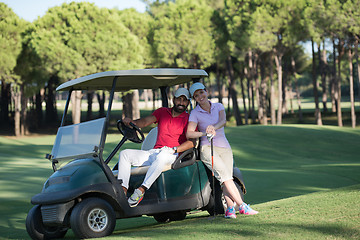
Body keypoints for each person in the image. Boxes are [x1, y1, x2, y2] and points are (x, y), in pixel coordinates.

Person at [186, 82, 258, 218]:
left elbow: (223, 121)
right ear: (194, 99)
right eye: (196, 95)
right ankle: (242, 206)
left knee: (227, 178)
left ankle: (230, 209)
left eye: (201, 92)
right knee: (225, 178)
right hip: (208, 148)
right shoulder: (195, 113)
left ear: (206, 92)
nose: (200, 96)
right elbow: (189, 133)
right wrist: (204, 133)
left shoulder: (218, 106)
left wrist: (213, 127)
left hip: (225, 147)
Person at [117, 88, 194, 207]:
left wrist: (174, 149)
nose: (181, 103)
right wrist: (132, 122)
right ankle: (123, 190)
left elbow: (191, 143)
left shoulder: (189, 119)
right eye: (179, 99)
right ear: (173, 100)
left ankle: (141, 190)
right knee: (125, 154)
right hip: (155, 151)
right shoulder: (162, 112)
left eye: (184, 100)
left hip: (172, 153)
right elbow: (145, 121)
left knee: (162, 156)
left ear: (188, 103)